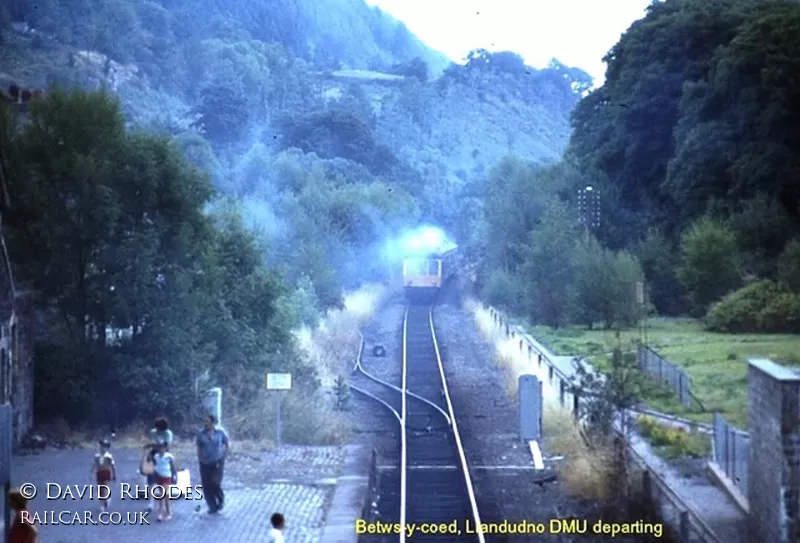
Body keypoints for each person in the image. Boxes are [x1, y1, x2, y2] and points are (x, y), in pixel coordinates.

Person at [196, 413, 229, 514]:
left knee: (215, 482)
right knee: (206, 484)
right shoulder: (201, 434)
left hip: (218, 460)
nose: (206, 424)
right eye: (205, 422)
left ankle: (220, 499)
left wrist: (224, 456)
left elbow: (226, 443)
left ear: (213, 423)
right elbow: (199, 446)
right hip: (205, 462)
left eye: (208, 422)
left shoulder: (220, 432)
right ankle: (212, 505)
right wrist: (200, 458)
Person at [143, 416, 173, 511]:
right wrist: (154, 446)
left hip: (163, 455)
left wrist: (153, 445)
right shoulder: (153, 432)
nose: (158, 431)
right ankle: (151, 502)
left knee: (162, 479)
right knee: (150, 479)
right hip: (153, 454)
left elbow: (166, 446)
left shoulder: (168, 433)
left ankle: (163, 503)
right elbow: (149, 443)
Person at [152, 440, 178, 521]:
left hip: (167, 476)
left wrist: (175, 476)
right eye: (159, 447)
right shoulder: (156, 456)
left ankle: (160, 513)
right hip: (159, 476)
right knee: (164, 495)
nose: (161, 449)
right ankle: (168, 511)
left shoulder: (169, 456)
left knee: (162, 494)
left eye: (162, 447)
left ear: (165, 448)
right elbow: (155, 465)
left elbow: (173, 467)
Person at [91, 439, 116, 512]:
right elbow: (94, 464)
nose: (103, 448)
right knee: (99, 489)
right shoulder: (97, 456)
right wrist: (92, 472)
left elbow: (112, 466)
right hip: (99, 473)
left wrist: (114, 474)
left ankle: (106, 499)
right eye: (101, 447)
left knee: (105, 487)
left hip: (106, 472)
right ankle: (101, 503)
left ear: (107, 448)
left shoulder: (109, 456)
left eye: (105, 447)